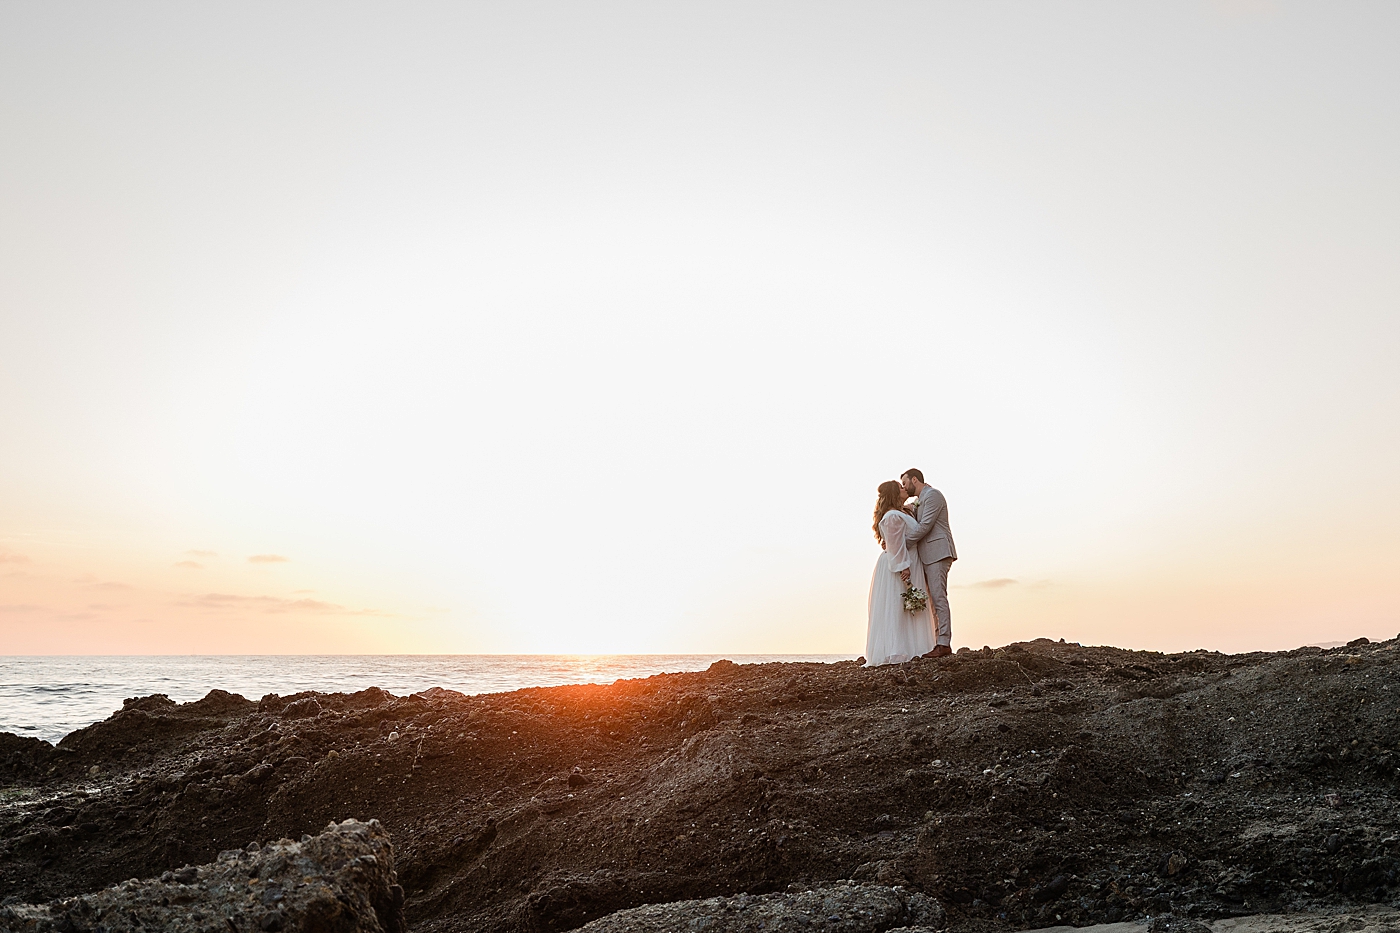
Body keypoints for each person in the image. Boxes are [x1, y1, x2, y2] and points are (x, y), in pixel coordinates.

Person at [865, 480, 937, 666]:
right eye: (901, 488)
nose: (905, 489)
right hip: (898, 564)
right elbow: (896, 545)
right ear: (894, 494)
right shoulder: (892, 516)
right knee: (897, 607)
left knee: (904, 607)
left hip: (906, 560)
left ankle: (909, 648)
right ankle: (895, 651)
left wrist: (924, 489)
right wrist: (904, 568)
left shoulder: (902, 511)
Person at [900, 468, 956, 657]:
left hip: (938, 552)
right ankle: (937, 641)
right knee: (933, 599)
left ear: (914, 480)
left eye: (905, 483)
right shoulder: (919, 500)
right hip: (927, 554)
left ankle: (944, 643)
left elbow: (925, 526)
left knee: (939, 597)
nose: (904, 487)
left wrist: (901, 545)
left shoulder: (933, 495)